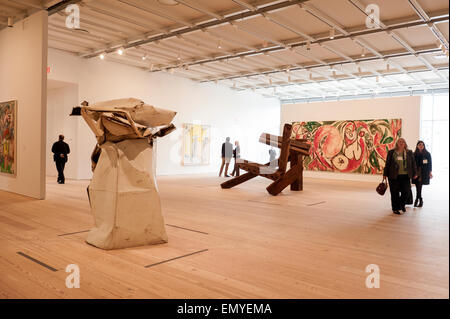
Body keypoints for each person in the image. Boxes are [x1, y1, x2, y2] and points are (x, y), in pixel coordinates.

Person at [383, 138, 417, 215]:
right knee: (394, 193)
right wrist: (385, 174)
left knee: (406, 191)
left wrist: (415, 173)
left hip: (405, 175)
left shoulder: (409, 152)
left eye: (403, 142)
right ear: (397, 143)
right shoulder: (391, 152)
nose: (401, 143)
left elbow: (413, 163)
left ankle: (401, 205)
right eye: (399, 142)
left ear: (405, 143)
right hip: (393, 176)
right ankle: (395, 208)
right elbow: (387, 164)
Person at [412, 140, 432, 208]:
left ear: (424, 146)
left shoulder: (427, 154)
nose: (421, 146)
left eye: (422, 145)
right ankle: (419, 199)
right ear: (417, 146)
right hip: (416, 173)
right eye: (419, 145)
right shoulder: (414, 154)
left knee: (419, 186)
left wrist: (430, 172)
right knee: (418, 186)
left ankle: (418, 199)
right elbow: (412, 164)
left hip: (424, 173)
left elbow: (430, 164)